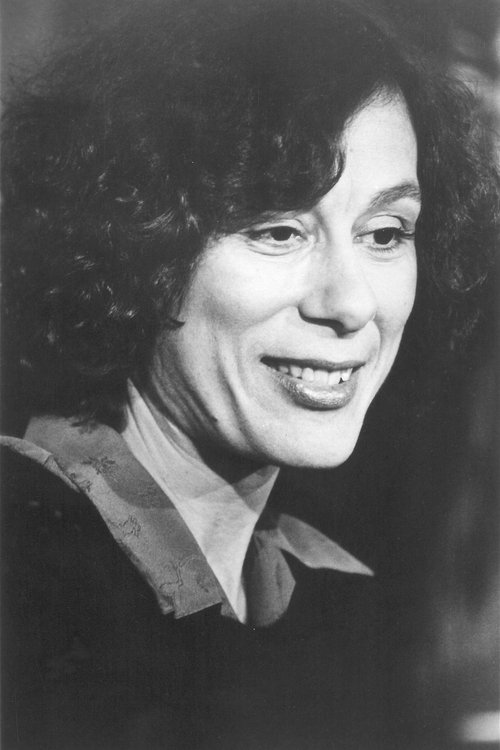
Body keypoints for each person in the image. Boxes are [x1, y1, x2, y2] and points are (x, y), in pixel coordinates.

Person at [1, 0, 498, 748]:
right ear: (135, 243)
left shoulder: (337, 605)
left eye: (386, 233)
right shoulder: (24, 569)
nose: (351, 303)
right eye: (278, 230)